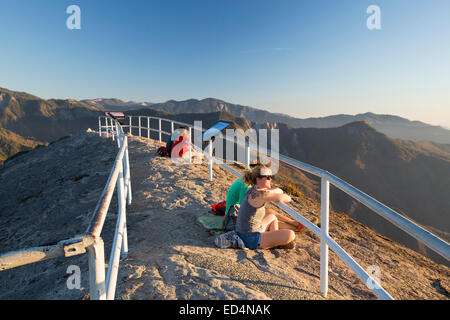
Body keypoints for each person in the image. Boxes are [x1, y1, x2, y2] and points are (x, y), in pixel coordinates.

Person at [235, 164, 307, 249]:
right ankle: (274, 242)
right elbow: (286, 198)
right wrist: (277, 192)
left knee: (272, 217)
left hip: (244, 232)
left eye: (270, 176)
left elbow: (276, 191)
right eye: (268, 177)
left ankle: (275, 240)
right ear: (258, 179)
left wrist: (273, 191)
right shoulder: (261, 195)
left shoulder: (252, 190)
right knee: (290, 235)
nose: (271, 179)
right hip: (250, 239)